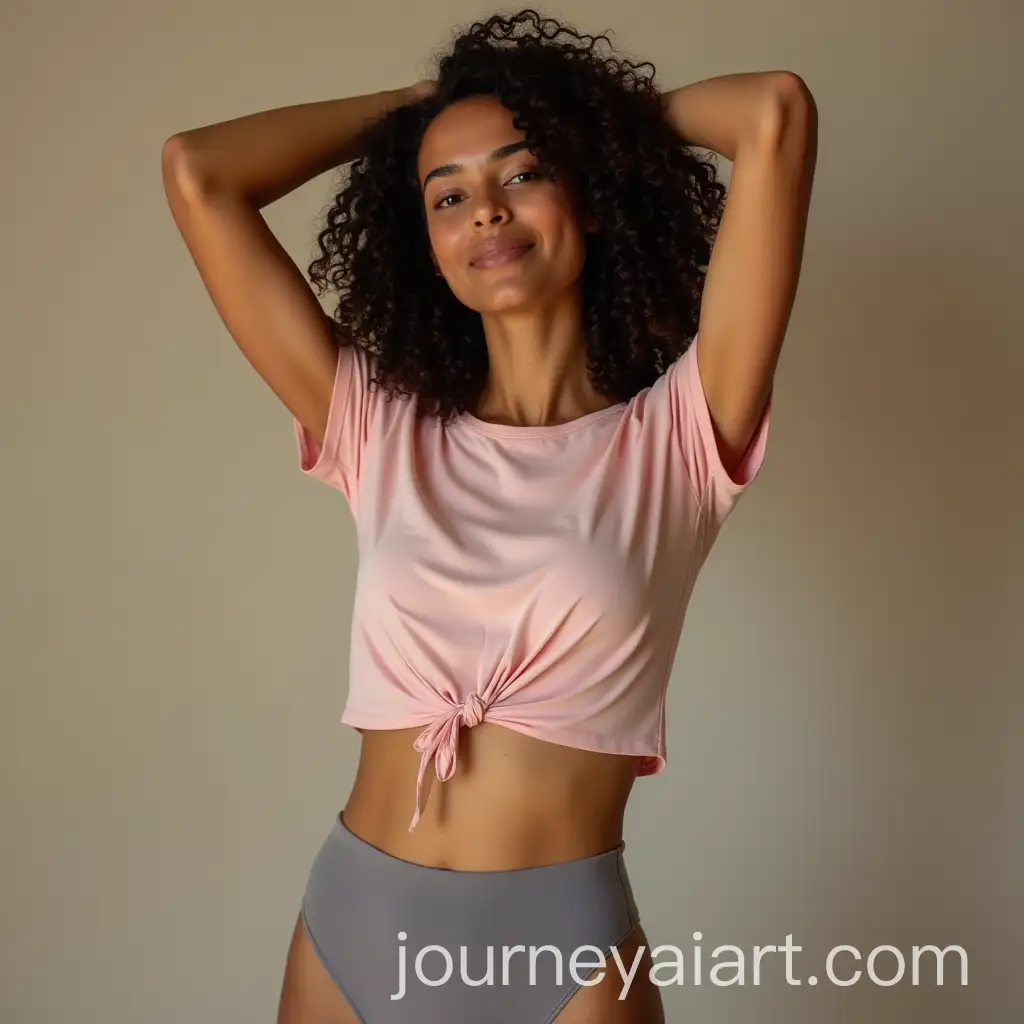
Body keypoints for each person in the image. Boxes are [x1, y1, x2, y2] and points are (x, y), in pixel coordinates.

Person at [161, 9, 816, 1023]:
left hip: (565, 949)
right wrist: (422, 117)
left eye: (522, 172)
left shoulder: (681, 436)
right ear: (426, 243)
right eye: (448, 194)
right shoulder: (379, 425)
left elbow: (773, 114)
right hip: (352, 922)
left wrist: (578, 117)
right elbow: (199, 173)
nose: (486, 213)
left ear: (587, 194)